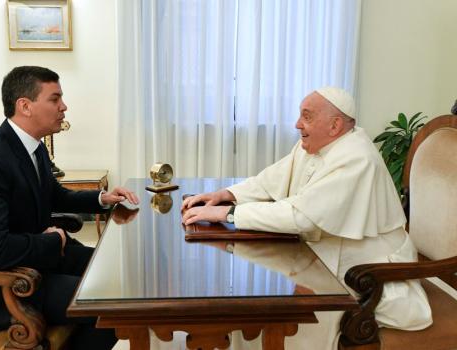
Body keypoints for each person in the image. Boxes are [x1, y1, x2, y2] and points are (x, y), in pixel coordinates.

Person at [182, 87, 432, 349]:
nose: (297, 124)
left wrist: (227, 213)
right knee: (261, 295)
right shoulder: (313, 144)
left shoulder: (357, 158)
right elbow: (270, 181)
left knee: (292, 315)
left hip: (368, 269)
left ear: (335, 125)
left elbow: (301, 217)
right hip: (320, 253)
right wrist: (225, 194)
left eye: (307, 116)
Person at [0, 66, 139, 349]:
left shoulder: (32, 146)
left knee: (119, 275)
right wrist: (52, 240)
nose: (64, 106)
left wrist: (102, 198)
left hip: (30, 260)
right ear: (25, 106)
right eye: (55, 99)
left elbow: (55, 196)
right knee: (113, 306)